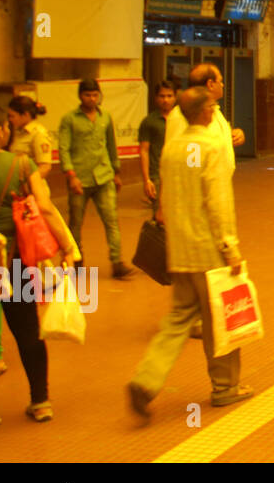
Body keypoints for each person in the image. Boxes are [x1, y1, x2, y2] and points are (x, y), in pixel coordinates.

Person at [127, 87, 254, 420]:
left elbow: (165, 203)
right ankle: (226, 387)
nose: (215, 109)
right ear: (205, 111)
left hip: (179, 250)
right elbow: (219, 205)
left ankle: (145, 379)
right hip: (209, 251)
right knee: (220, 322)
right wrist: (231, 248)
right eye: (212, 105)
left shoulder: (171, 151)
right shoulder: (211, 149)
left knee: (178, 319)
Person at [0, 106, 81, 426]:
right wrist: (66, 247)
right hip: (12, 261)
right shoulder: (20, 164)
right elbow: (44, 208)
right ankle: (40, 401)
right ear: (2, 132)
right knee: (28, 331)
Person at [58, 78, 135, 279]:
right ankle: (76, 261)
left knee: (111, 220)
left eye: (94, 95)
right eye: (87, 95)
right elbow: (64, 149)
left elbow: (111, 146)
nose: (91, 99)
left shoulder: (105, 117)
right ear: (80, 96)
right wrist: (71, 175)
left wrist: (116, 173)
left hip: (104, 177)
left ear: (99, 95)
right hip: (79, 180)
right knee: (75, 223)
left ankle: (117, 262)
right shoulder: (69, 119)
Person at [167, 64, 247, 160]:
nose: (222, 85)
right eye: (220, 81)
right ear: (211, 84)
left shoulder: (213, 109)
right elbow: (191, 162)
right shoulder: (184, 113)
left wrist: (234, 135)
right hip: (204, 174)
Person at [138, 80, 178, 211]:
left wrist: (192, 169)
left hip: (179, 174)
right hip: (158, 176)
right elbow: (144, 151)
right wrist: (147, 180)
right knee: (160, 216)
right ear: (156, 98)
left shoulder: (183, 119)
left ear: (175, 97)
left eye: (169, 96)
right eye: (162, 96)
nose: (165, 100)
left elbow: (192, 146)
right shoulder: (149, 122)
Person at [5, 96, 53, 178]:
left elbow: (45, 167)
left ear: (25, 115)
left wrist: (30, 183)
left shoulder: (38, 134)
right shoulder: (18, 131)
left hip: (31, 186)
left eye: (12, 116)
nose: (10, 119)